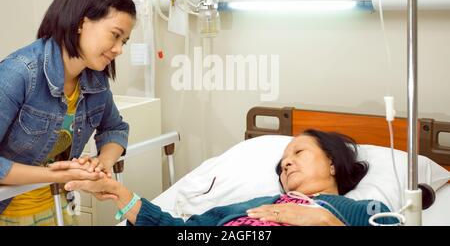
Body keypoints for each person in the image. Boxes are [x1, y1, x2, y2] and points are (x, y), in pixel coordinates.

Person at [0, 0, 136, 225]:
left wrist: (100, 164)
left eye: (124, 41)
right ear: (81, 23)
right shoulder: (20, 73)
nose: (119, 49)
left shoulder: (95, 81)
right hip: (10, 213)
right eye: (115, 35)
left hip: (59, 204)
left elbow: (115, 129)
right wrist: (57, 174)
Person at [62, 129, 398, 226]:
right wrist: (118, 192)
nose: (287, 164)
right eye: (282, 163)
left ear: (333, 164)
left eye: (299, 153)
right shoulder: (253, 207)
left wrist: (323, 219)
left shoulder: (349, 209)